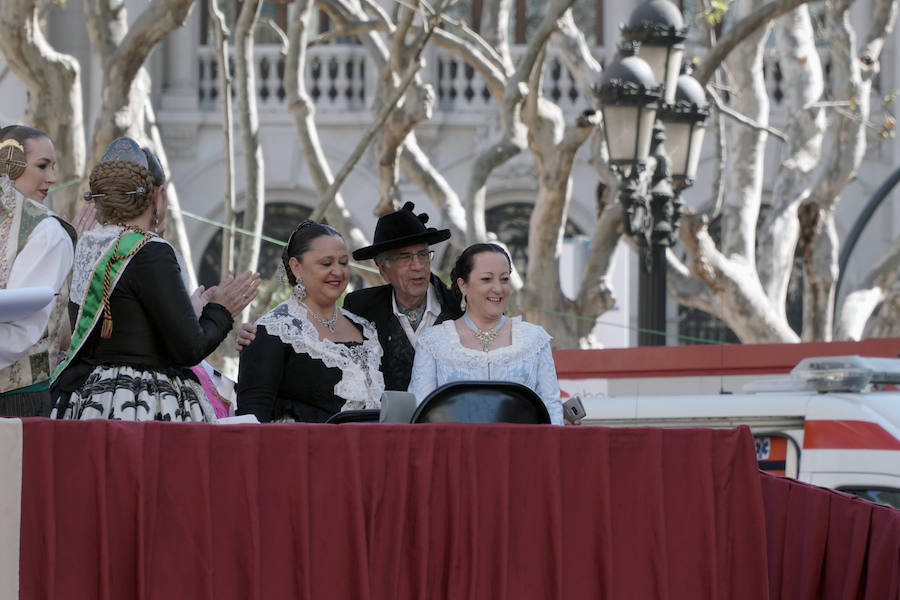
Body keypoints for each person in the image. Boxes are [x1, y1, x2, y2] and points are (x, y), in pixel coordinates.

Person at [51, 136, 259, 422]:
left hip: (91, 399)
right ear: (156, 195)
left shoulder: (90, 244)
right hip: (144, 402)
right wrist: (221, 310)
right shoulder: (151, 250)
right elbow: (189, 349)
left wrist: (192, 310)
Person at [236, 201, 461, 391]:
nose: (418, 266)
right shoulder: (360, 307)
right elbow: (312, 335)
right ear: (383, 270)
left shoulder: (460, 307)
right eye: (405, 258)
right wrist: (258, 337)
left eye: (423, 255)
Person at [236, 220, 384, 422]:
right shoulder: (273, 330)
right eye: (326, 263)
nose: (338, 272)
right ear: (296, 267)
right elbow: (252, 417)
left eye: (343, 262)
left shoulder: (364, 327)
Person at [407, 243, 564, 425]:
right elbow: (420, 413)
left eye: (504, 279)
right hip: (454, 449)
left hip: (521, 449)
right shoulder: (433, 342)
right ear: (463, 285)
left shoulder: (534, 339)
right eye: (487, 279)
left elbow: (552, 409)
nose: (498, 288)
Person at [0, 125, 77, 416]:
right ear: (10, 163)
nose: (52, 178)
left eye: (52, 167)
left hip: (16, 400)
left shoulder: (47, 231)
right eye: (42, 166)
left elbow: (24, 331)